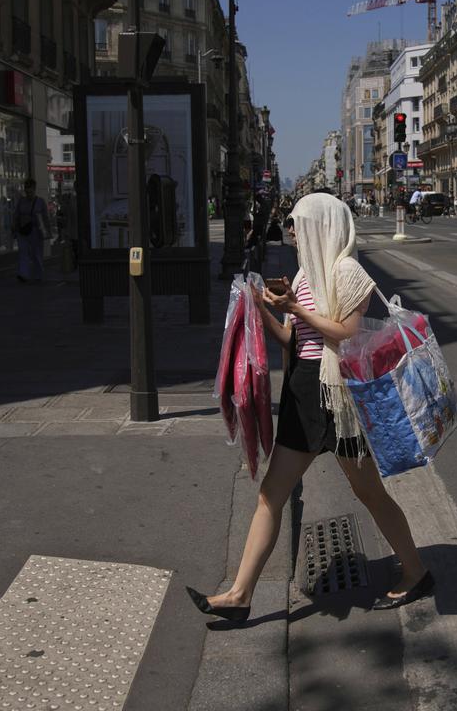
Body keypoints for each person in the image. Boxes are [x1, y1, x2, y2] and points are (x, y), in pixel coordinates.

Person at [186, 193, 432, 624]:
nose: (293, 232)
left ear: (322, 226)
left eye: (299, 225)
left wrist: (295, 308)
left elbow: (348, 335)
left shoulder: (346, 271)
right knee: (271, 494)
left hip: (337, 398)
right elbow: (293, 342)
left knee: (368, 491)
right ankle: (240, 595)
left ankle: (415, 571)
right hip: (303, 392)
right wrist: (263, 307)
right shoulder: (305, 274)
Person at [14, 179, 49, 283]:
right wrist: (14, 225)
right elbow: (16, 214)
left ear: (34, 189)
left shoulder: (40, 202)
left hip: (35, 230)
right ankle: (23, 274)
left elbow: (45, 217)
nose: (28, 194)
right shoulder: (21, 201)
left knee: (36, 253)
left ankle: (38, 274)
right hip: (23, 230)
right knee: (23, 252)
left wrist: (45, 231)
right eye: (27, 191)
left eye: (30, 191)